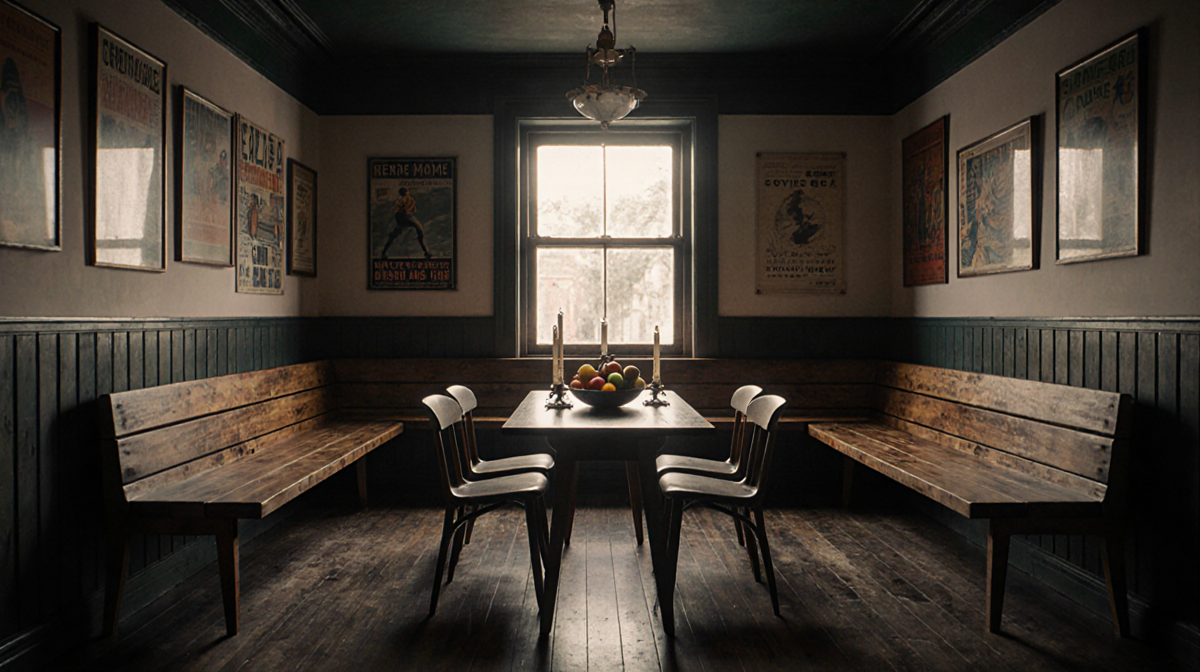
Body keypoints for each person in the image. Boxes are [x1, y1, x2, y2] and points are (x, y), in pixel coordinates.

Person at [382, 187, 432, 259]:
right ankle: (383, 252)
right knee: (395, 234)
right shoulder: (401, 200)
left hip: (407, 217)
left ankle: (426, 252)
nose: (406, 194)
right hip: (403, 217)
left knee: (419, 231)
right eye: (404, 193)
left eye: (406, 192)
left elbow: (413, 209)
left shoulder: (410, 200)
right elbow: (396, 208)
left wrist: (408, 211)